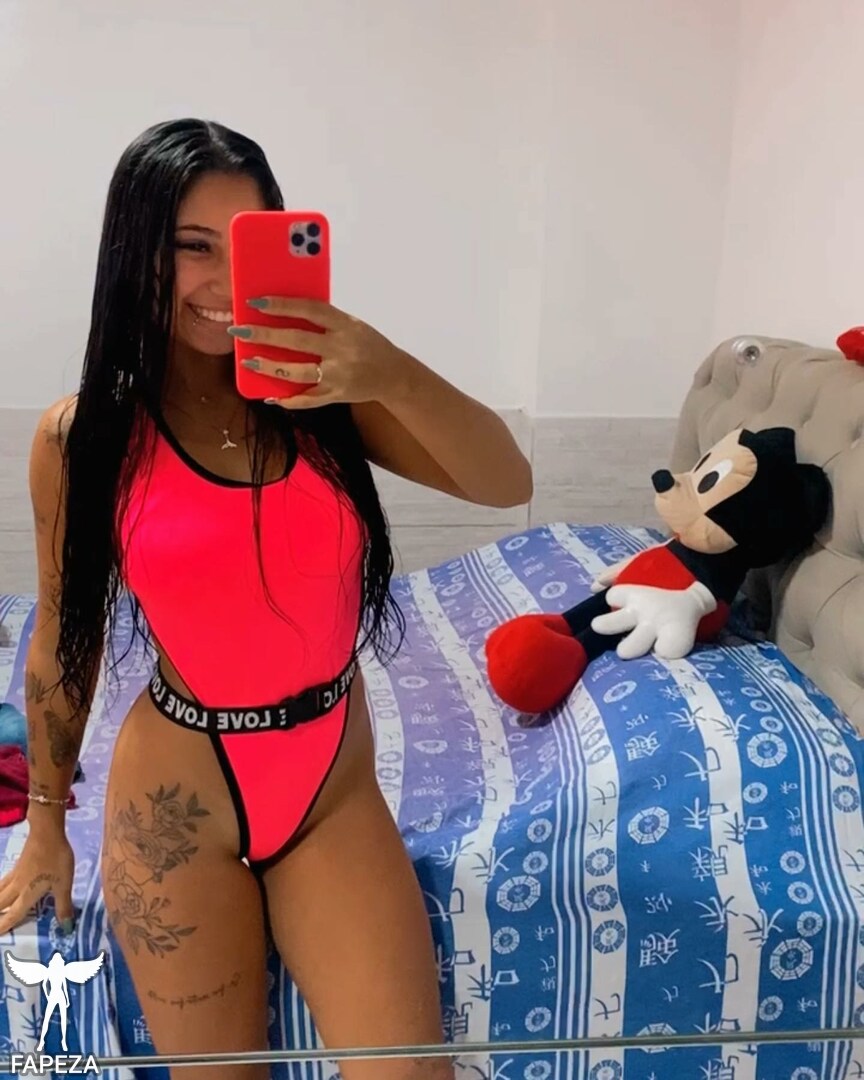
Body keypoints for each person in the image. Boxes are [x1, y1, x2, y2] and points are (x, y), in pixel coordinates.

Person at [0, 119, 532, 1079]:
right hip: (178, 806)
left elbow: (506, 480)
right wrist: (45, 826)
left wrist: (388, 368)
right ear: (135, 252)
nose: (223, 282)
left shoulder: (327, 398)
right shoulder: (85, 437)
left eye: (246, 245)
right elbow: (63, 641)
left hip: (330, 791)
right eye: (191, 246)